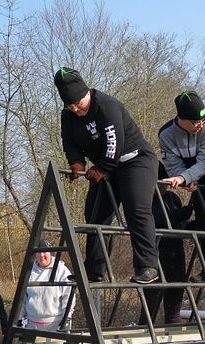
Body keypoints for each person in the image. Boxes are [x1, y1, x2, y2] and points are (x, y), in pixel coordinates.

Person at [54, 66, 159, 285]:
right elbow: (69, 141)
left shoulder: (106, 106)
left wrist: (101, 169)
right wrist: (77, 162)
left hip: (134, 161)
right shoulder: (68, 116)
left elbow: (114, 143)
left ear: (87, 94)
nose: (75, 110)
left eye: (78, 104)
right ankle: (93, 269)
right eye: (69, 106)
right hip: (105, 167)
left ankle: (147, 266)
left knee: (136, 209)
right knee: (95, 213)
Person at [158, 90, 205, 283]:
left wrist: (185, 177)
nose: (200, 125)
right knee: (203, 217)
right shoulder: (166, 135)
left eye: (202, 120)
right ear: (181, 119)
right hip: (193, 171)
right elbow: (173, 164)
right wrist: (185, 178)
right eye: (194, 122)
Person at [138, 186, 192, 344]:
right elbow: (155, 222)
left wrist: (189, 218)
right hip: (153, 256)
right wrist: (182, 214)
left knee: (174, 307)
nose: (167, 184)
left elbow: (179, 227)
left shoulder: (173, 197)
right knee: (150, 306)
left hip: (176, 255)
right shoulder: (144, 197)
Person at [23, 240, 75, 344]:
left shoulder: (61, 270)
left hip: (55, 324)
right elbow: (23, 297)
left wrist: (66, 319)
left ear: (51, 253)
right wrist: (20, 317)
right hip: (33, 323)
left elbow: (69, 296)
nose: (42, 255)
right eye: (38, 252)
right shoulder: (29, 271)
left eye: (45, 252)